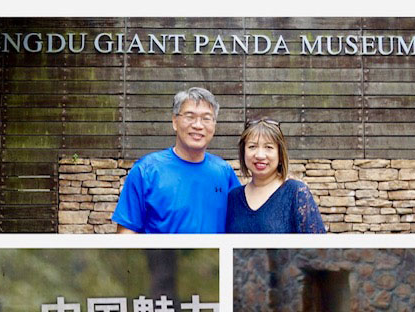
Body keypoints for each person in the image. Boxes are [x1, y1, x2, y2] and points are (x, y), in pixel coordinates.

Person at [113, 87, 240, 234]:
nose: (198, 125)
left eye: (206, 118)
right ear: (175, 121)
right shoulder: (146, 171)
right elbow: (126, 233)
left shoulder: (224, 172)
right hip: (163, 258)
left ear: (214, 125)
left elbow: (240, 225)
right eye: (190, 116)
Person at [225, 117, 326, 234]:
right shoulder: (233, 197)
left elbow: (318, 248)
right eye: (252, 146)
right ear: (243, 152)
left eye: (268, 147)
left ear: (280, 153)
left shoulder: (296, 193)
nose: (260, 155)